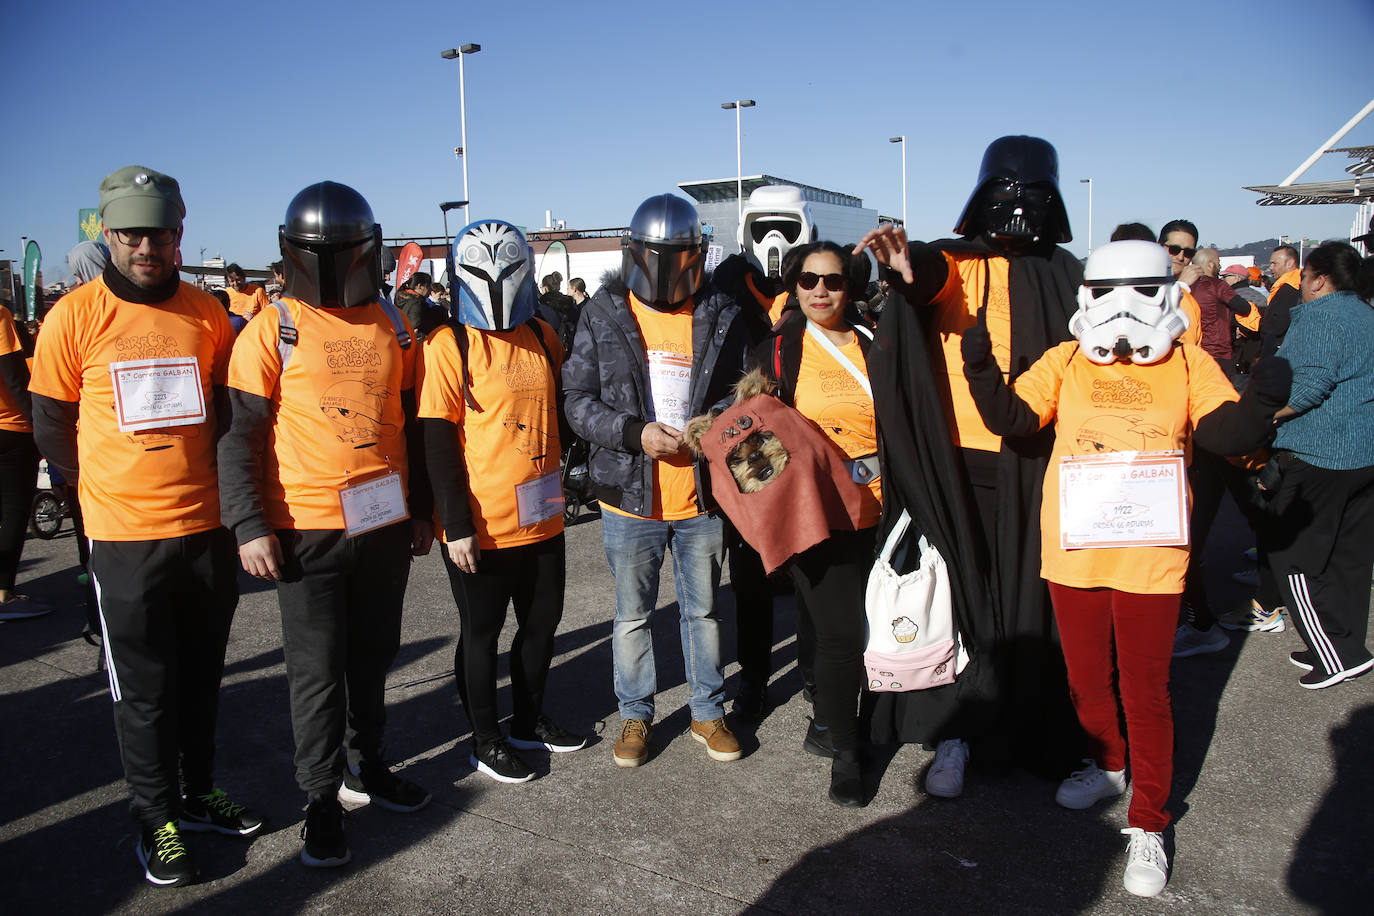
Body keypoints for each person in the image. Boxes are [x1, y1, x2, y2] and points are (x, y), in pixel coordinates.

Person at [962, 239, 1290, 897]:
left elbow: (1226, 433)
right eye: (1107, 293)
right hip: (1078, 550)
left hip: (1152, 556)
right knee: (1086, 680)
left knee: (1146, 689)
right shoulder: (1065, 360)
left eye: (1140, 291)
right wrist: (978, 366)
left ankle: (1149, 820)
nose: (1123, 310)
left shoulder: (1188, 363)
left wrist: (1260, 405)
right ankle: (1110, 765)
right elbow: (1017, 419)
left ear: (1163, 294)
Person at [31, 165, 260, 888]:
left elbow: (228, 412)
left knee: (200, 675)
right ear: (108, 234)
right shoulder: (76, 316)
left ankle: (197, 794)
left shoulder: (207, 313)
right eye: (132, 235)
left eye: (159, 234)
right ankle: (153, 815)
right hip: (125, 536)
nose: (147, 248)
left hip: (206, 528)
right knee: (144, 687)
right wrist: (104, 486)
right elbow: (48, 420)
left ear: (179, 234)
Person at [856, 135, 1085, 799]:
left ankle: (1026, 724)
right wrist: (906, 262)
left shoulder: (1065, 273)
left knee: (1027, 601)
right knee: (958, 599)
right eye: (1006, 194)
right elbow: (928, 276)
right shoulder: (957, 262)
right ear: (983, 196)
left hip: (1038, 462)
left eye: (1033, 195)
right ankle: (955, 733)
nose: (1018, 208)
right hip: (960, 464)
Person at [218, 180, 434, 869]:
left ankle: (369, 764)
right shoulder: (270, 329)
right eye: (325, 253)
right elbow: (238, 437)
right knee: (316, 673)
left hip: (383, 527)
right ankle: (320, 799)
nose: (338, 265)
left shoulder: (394, 324)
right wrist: (249, 524)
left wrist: (423, 510)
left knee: (373, 656)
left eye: (347, 252)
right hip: (304, 531)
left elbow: (413, 426)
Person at [562, 193, 751, 768]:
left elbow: (747, 388)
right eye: (655, 255)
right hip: (629, 496)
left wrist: (714, 425)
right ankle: (635, 715)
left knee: (704, 612)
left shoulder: (722, 310)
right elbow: (575, 399)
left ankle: (707, 710)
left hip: (700, 498)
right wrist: (631, 432)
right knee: (633, 614)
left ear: (697, 255)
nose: (666, 270)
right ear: (635, 253)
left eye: (679, 256)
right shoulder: (603, 313)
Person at [421, 218, 588, 784]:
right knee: (482, 633)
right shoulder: (448, 344)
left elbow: (570, 403)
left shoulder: (543, 334)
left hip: (543, 516)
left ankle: (527, 719)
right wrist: (455, 523)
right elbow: (437, 440)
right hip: (482, 526)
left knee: (542, 624)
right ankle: (484, 737)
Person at [752, 240, 879, 806]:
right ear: (794, 284)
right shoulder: (780, 348)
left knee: (873, 630)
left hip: (883, 510)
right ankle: (846, 756)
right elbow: (752, 442)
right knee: (841, 634)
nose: (820, 292)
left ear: (849, 286)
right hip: (819, 516)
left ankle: (833, 723)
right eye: (808, 281)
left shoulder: (877, 342)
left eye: (832, 281)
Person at [710, 184, 818, 720]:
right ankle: (754, 676)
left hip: (813, 445)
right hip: (753, 447)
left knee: (815, 568)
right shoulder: (724, 295)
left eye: (786, 227)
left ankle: (822, 676)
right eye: (762, 227)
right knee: (751, 571)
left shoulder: (820, 285)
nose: (774, 240)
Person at [1262, 242, 1374, 689]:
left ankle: (1333, 656)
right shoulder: (1366, 313)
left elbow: (1305, 387)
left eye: (1304, 277)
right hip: (1363, 452)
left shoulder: (1320, 317)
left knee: (1291, 556)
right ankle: (1345, 645)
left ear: (1319, 279)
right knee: (1349, 556)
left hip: (1319, 454)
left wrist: (1258, 416)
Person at [0, 268, 40, 620]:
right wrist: (37, 424)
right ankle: (4, 591)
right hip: (9, 428)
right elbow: (13, 377)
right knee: (12, 509)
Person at [1261, 244, 1301, 357]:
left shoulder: (1291, 288)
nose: (1271, 267)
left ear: (1290, 263)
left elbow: (1278, 324)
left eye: (1275, 263)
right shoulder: (1294, 284)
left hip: (1283, 351)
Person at [394, 270, 446, 340]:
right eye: (428, 286)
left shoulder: (400, 299)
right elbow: (415, 328)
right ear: (420, 286)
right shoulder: (416, 303)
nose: (430, 290)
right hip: (419, 343)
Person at [223, 263, 267, 331]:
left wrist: (254, 318)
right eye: (232, 281)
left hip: (253, 330)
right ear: (227, 281)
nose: (235, 284)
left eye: (238, 280)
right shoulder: (226, 293)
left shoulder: (258, 292)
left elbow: (267, 315)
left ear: (244, 278)